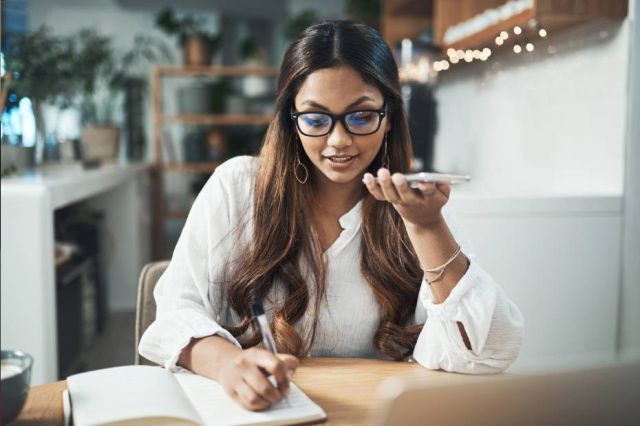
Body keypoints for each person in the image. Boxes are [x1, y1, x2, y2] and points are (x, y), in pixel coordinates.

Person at [139, 20, 524, 411]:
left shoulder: (415, 207)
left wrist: (426, 228)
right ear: (291, 120)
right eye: (316, 119)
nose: (339, 141)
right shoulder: (236, 188)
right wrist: (229, 365)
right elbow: (174, 314)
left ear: (389, 115)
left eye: (360, 117)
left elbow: (485, 354)